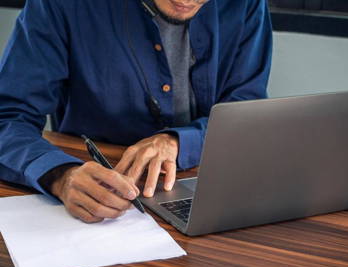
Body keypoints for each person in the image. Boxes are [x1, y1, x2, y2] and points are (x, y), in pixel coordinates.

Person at [0, 0, 272, 223]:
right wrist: (60, 175)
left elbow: (246, 113)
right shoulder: (60, 5)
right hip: (98, 187)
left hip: (210, 187)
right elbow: (8, 117)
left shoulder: (246, 4)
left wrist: (179, 141)